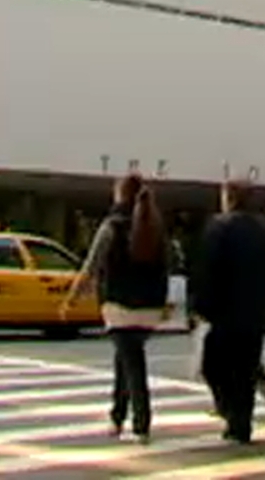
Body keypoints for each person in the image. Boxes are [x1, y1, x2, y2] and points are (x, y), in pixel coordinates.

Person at [66, 174, 170, 444]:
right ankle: (117, 415)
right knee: (125, 357)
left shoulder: (111, 226)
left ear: (119, 194)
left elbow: (91, 267)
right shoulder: (156, 227)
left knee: (132, 362)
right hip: (150, 308)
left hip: (119, 306)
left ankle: (141, 423)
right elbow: (166, 268)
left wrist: (71, 299)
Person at [193, 181, 265, 445]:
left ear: (229, 199)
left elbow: (208, 270)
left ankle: (229, 411)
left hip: (224, 311)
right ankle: (241, 424)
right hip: (256, 311)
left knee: (212, 366)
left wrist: (201, 306)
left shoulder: (218, 227)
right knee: (245, 371)